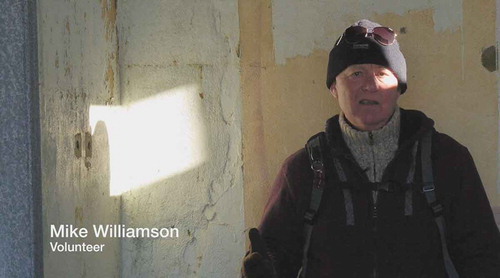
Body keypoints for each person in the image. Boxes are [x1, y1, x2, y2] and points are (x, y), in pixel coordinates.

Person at [242, 19, 500, 278]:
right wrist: (263, 269)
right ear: (334, 87)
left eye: (382, 73)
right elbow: (275, 254)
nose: (370, 85)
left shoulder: (447, 159)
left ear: (399, 87)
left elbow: (483, 257)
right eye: (356, 73)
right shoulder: (303, 170)